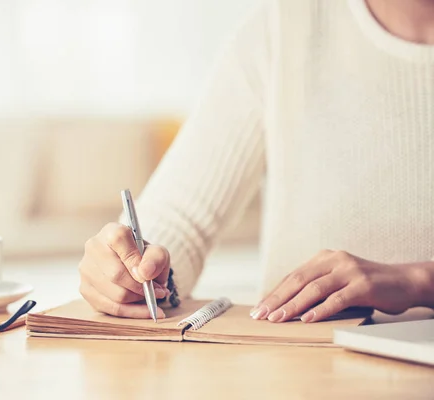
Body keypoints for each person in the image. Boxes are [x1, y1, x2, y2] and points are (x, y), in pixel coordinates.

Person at [77, 0, 434, 323]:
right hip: (304, 373)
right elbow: (180, 215)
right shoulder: (284, 27)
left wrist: (420, 281)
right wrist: (137, 267)